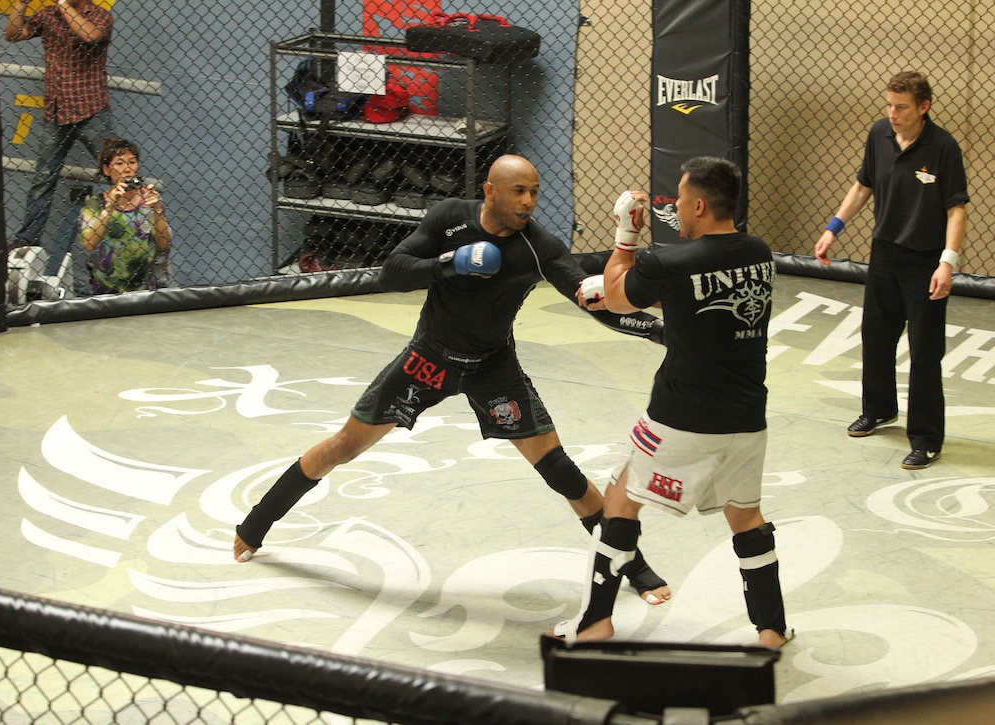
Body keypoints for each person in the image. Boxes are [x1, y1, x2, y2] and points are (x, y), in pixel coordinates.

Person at [233, 155, 671, 604]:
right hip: (428, 359)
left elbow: (590, 299)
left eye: (535, 191)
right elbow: (392, 272)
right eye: (518, 191)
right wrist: (449, 263)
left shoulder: (539, 246)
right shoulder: (449, 220)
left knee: (560, 471)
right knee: (344, 446)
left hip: (492, 368)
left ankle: (632, 565)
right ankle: (256, 524)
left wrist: (658, 330)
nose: (528, 202)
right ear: (490, 191)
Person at [550, 157, 789, 648]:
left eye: (680, 199)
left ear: (699, 205)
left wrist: (624, 236)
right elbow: (698, 300)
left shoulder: (670, 262)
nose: (674, 207)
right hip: (747, 418)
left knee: (618, 504)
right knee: (746, 515)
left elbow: (617, 297)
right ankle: (772, 629)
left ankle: (595, 622)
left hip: (680, 417)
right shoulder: (760, 254)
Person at [814, 71, 968, 470]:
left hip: (926, 262)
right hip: (884, 254)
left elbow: (956, 209)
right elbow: (863, 186)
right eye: (889, 105)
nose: (893, 113)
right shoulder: (879, 134)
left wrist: (946, 263)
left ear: (923, 107)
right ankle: (879, 409)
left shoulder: (944, 147)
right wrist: (833, 229)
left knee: (925, 351)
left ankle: (926, 437)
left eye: (901, 107)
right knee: (876, 338)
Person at [5, 0, 116, 261]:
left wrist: (64, 4)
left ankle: (127, 230)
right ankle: (27, 238)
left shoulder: (99, 16)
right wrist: (21, 4)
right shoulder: (47, 15)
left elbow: (89, 35)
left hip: (91, 109)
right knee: (43, 178)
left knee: (117, 169)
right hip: (55, 111)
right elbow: (12, 34)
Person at [79, 137, 171, 294]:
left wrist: (157, 209)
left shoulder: (150, 199)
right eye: (120, 163)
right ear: (107, 170)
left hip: (145, 287)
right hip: (106, 288)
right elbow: (89, 244)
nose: (127, 168)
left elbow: (163, 244)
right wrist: (110, 208)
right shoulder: (95, 205)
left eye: (132, 162)